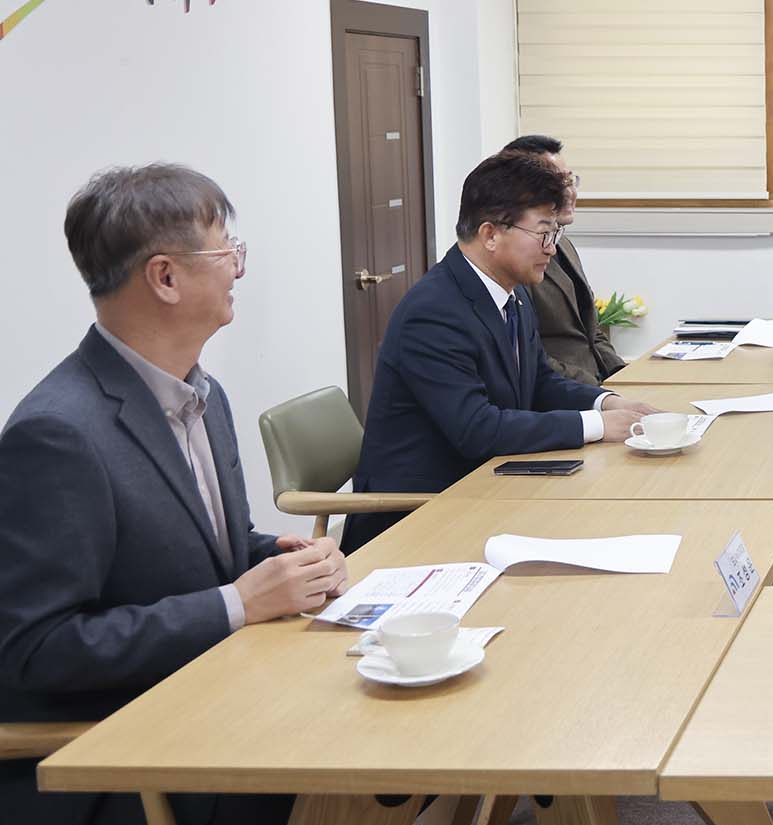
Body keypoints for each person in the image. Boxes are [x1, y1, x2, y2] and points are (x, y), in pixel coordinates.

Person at [0, 165, 348, 825]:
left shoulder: (200, 395)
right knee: (359, 755)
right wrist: (236, 602)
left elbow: (215, 548)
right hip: (124, 750)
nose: (239, 271)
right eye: (228, 253)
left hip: (209, 693)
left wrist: (282, 554)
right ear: (165, 277)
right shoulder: (57, 433)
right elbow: (35, 649)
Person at [343, 153, 658, 552]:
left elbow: (539, 381)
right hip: (419, 516)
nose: (551, 248)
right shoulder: (433, 312)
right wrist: (596, 427)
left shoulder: (513, 294)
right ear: (490, 234)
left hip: (488, 487)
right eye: (543, 233)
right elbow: (478, 429)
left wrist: (607, 402)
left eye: (555, 234)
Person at [499, 135, 624, 384]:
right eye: (555, 184)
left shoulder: (562, 242)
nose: (568, 192)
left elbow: (592, 331)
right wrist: (598, 393)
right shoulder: (514, 257)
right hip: (566, 393)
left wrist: (624, 376)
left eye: (569, 180)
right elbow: (531, 358)